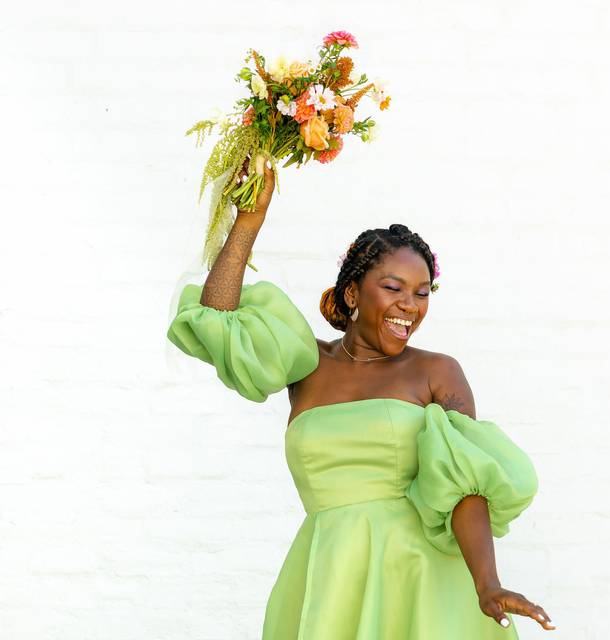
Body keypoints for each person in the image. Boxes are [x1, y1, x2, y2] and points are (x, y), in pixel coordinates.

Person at [166, 157, 555, 638]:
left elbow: (465, 486)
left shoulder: (435, 372)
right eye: (393, 287)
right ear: (352, 292)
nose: (409, 306)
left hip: (422, 579)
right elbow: (216, 318)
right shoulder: (305, 365)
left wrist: (487, 584)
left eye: (423, 292)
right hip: (332, 575)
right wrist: (250, 220)